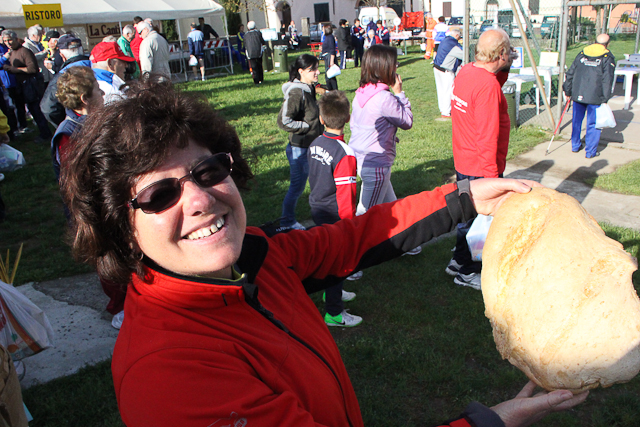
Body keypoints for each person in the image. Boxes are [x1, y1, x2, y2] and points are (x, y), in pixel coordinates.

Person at [60, 76, 588, 427]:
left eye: (208, 170)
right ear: (122, 230)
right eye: (159, 195)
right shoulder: (168, 375)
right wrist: (490, 423)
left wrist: (464, 197)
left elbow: (351, 239)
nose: (199, 199)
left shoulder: (256, 258)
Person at [448, 28, 515, 290]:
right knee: (481, 221)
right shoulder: (487, 86)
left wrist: (505, 67)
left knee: (467, 215)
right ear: (501, 53)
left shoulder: (467, 72)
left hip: (464, 159)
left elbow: (491, 88)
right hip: (480, 165)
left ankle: (458, 260)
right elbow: (487, 136)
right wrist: (493, 179)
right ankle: (468, 271)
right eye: (508, 51)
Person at [348, 45, 420, 256]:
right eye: (394, 63)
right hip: (376, 164)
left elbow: (362, 125)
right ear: (384, 67)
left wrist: (387, 134)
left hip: (360, 158)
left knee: (392, 207)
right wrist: (400, 93)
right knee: (365, 217)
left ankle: (405, 244)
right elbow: (406, 121)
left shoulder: (361, 92)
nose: (397, 66)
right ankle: (351, 260)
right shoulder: (385, 98)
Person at [308, 90, 362, 327]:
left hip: (317, 207)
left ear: (321, 119)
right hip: (335, 215)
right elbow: (346, 194)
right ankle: (334, 313)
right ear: (348, 118)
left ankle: (331, 292)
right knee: (338, 262)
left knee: (327, 255)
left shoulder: (314, 144)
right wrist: (348, 225)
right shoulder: (345, 153)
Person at [276, 54, 323, 230]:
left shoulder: (309, 88)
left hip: (311, 145)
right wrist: (306, 127)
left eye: (317, 68)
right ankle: (287, 221)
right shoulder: (297, 92)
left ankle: (322, 214)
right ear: (301, 71)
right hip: (300, 149)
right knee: (297, 187)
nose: (317, 72)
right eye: (313, 70)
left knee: (318, 182)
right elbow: (283, 121)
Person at [563, 33, 615, 159]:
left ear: (595, 41)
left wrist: (568, 91)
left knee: (576, 121)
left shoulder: (582, 53)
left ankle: (575, 145)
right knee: (593, 124)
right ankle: (590, 152)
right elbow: (607, 79)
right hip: (595, 96)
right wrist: (605, 98)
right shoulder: (607, 57)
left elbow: (570, 73)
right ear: (608, 44)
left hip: (578, 93)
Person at [51, 66, 104, 183]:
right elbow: (75, 177)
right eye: (98, 89)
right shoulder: (67, 134)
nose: (103, 93)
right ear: (85, 99)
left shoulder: (97, 120)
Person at [1, 29, 52, 143]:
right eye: (5, 41)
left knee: (36, 110)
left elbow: (32, 69)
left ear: (15, 39)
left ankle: (46, 134)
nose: (8, 43)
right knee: (32, 110)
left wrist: (14, 69)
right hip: (22, 85)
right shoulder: (11, 52)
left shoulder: (25, 51)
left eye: (10, 40)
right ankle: (43, 133)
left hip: (31, 84)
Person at [40, 34, 92, 126]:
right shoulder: (99, 69)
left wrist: (67, 123)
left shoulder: (62, 77)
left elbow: (48, 108)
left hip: (79, 126)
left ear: (62, 56)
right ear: (83, 51)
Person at [433, 27, 463, 120]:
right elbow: (464, 55)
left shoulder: (445, 40)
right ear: (456, 35)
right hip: (446, 70)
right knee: (448, 90)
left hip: (437, 67)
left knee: (441, 90)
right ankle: (446, 112)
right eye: (459, 37)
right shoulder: (453, 44)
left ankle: (442, 109)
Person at [321, 24, 338, 91]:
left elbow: (332, 50)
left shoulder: (330, 37)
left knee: (330, 75)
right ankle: (330, 90)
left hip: (329, 58)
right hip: (327, 57)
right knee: (328, 76)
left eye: (323, 29)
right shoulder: (327, 37)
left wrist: (331, 61)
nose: (322, 30)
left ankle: (334, 90)